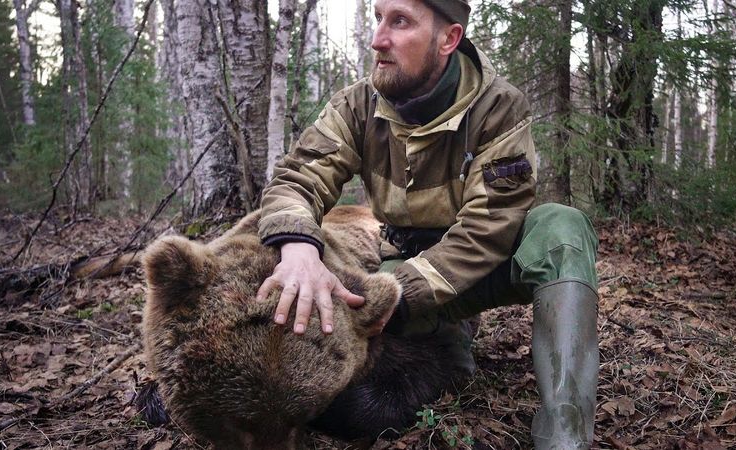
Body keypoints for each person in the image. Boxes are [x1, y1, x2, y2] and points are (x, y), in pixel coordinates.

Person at [255, 0, 599, 448]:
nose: (378, 38)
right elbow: (297, 178)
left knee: (562, 229)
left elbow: (489, 227)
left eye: (400, 22)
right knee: (399, 358)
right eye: (378, 18)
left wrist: (399, 297)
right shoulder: (357, 104)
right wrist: (298, 246)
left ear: (448, 39)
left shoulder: (498, 106)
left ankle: (566, 435)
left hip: (476, 267)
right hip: (395, 261)